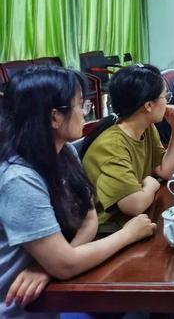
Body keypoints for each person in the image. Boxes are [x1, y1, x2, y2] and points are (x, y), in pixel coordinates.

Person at [0, 66, 155, 317]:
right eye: (81, 105)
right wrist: (128, 234)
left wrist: (49, 265)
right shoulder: (19, 179)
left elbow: (89, 216)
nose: (87, 113)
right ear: (54, 117)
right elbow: (65, 264)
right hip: (17, 308)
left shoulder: (65, 152)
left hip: (52, 299)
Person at [81, 64, 174, 231]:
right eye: (166, 97)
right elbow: (133, 204)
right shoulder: (111, 144)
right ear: (149, 105)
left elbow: (165, 171)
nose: (168, 102)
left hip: (135, 219)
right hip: (108, 230)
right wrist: (151, 185)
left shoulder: (146, 127)